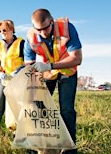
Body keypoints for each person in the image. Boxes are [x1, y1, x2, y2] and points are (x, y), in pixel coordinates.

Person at [24, 8, 82, 154]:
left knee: (66, 110)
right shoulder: (31, 37)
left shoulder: (67, 28)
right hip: (47, 74)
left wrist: (50, 65)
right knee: (38, 108)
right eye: (39, 30)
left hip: (67, 71)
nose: (43, 32)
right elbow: (28, 65)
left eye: (46, 28)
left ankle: (69, 149)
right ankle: (39, 146)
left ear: (52, 21)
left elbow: (77, 58)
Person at [0, 20, 25, 139]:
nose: (2, 32)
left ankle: (18, 135)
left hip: (18, 81)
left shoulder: (21, 43)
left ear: (11, 29)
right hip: (4, 80)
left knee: (16, 107)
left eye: (4, 30)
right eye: (0, 31)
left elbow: (28, 61)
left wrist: (19, 71)